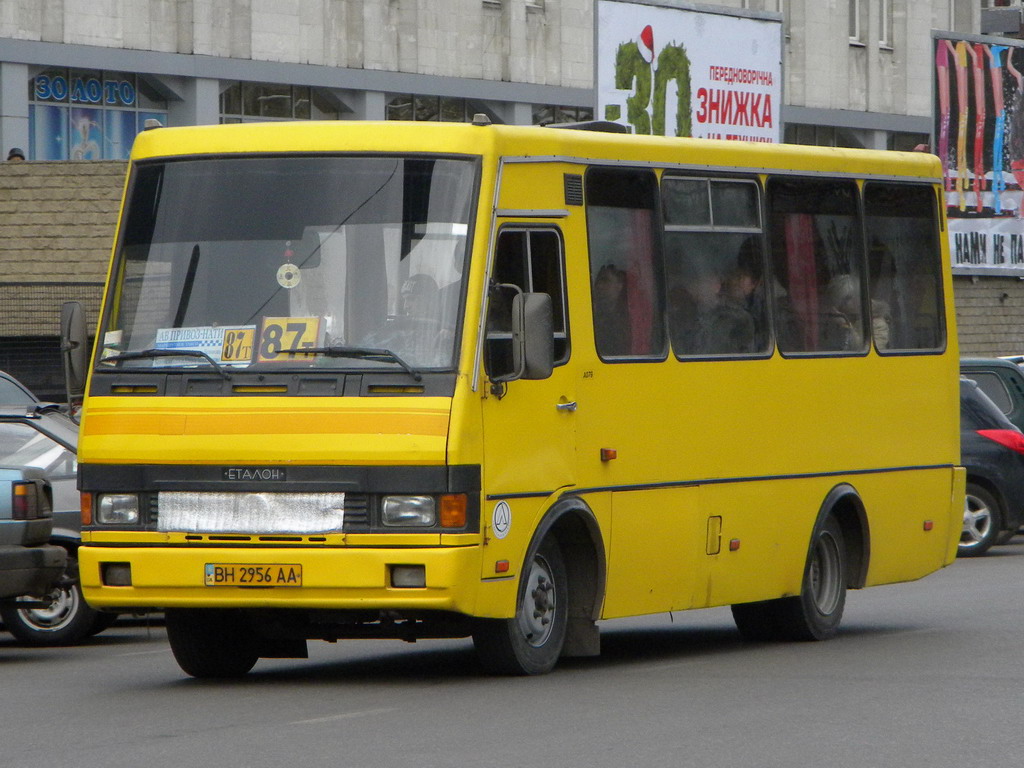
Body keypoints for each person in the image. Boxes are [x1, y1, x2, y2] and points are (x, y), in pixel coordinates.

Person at [591, 263, 631, 356]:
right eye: (598, 281)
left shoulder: (629, 317)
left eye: (605, 281)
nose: (599, 286)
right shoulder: (592, 315)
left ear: (619, 285)